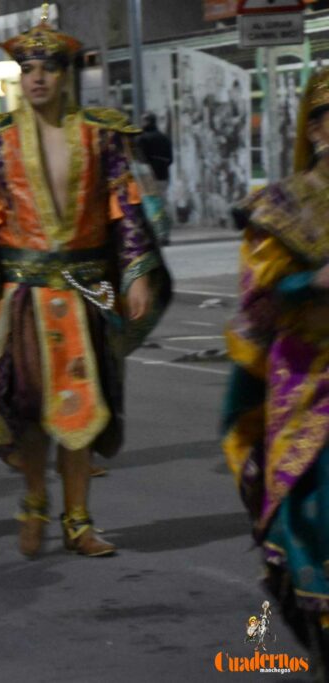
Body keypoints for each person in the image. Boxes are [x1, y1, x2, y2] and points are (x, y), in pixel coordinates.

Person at [0, 20, 170, 559]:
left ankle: (79, 520)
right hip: (23, 292)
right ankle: (36, 499)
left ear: (65, 76)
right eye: (28, 69)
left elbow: (126, 211)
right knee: (33, 405)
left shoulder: (102, 135)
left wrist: (137, 275)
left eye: (48, 68)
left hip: (90, 291)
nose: (37, 78)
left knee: (86, 404)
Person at [223, 67, 329, 677]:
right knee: (314, 507)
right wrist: (308, 281)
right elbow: (257, 299)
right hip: (310, 375)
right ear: (315, 129)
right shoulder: (281, 206)